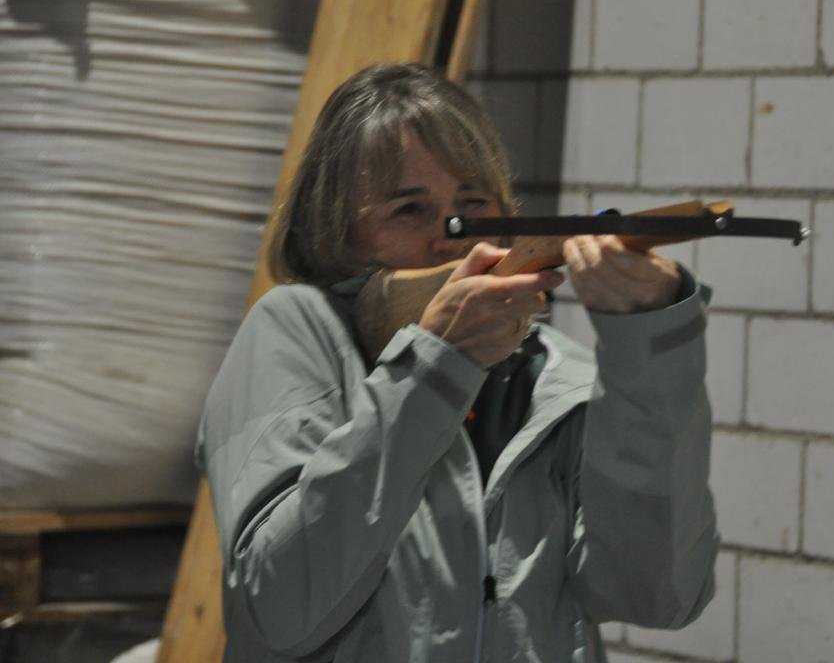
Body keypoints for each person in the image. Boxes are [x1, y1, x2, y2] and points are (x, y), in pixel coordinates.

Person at [197, 62, 718, 663]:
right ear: (335, 228)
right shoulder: (296, 331)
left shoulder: (557, 377)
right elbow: (279, 605)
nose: (451, 238)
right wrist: (436, 367)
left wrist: (647, 352)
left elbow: (658, 598)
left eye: (472, 206)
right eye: (409, 209)